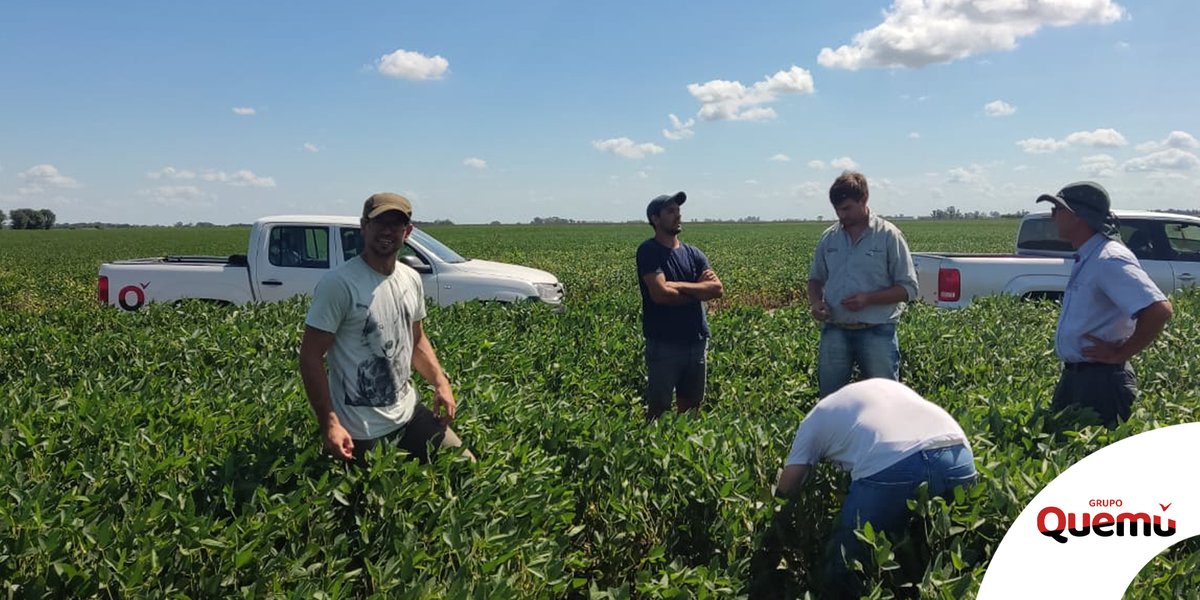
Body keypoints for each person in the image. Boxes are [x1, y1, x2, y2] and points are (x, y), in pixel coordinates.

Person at [298, 192, 472, 465]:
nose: (387, 231)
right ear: (364, 226)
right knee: (375, 502)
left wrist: (440, 382)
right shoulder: (339, 284)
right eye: (379, 223)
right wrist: (329, 422)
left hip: (409, 412)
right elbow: (310, 357)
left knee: (467, 467)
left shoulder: (410, 279)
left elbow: (416, 340)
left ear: (408, 231)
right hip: (361, 429)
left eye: (396, 224)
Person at [775, 378, 975, 597]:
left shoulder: (812, 421)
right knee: (943, 549)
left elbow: (790, 484)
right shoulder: (882, 388)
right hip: (959, 453)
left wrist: (776, 526)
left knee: (847, 562)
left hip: (893, 461)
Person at [1036, 181, 1173, 427]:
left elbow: (1158, 310)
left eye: (1058, 209)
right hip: (1077, 378)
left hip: (1101, 383)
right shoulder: (1090, 255)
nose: (1052, 216)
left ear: (1079, 216)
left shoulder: (1109, 258)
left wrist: (1120, 354)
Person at [807, 171, 918, 398]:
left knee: (886, 401)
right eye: (837, 209)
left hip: (877, 332)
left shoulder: (888, 236)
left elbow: (909, 289)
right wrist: (816, 303)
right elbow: (815, 279)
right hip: (835, 330)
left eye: (846, 208)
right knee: (830, 400)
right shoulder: (829, 238)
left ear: (863, 200)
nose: (841, 215)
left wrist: (868, 299)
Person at [636, 191, 724, 419]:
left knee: (692, 407)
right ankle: (655, 453)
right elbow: (661, 294)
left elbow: (717, 290)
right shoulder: (649, 251)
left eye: (678, 210)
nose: (678, 215)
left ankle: (685, 448)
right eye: (670, 211)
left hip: (696, 341)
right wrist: (697, 291)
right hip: (664, 343)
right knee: (659, 410)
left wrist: (677, 285)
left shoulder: (694, 254)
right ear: (655, 219)